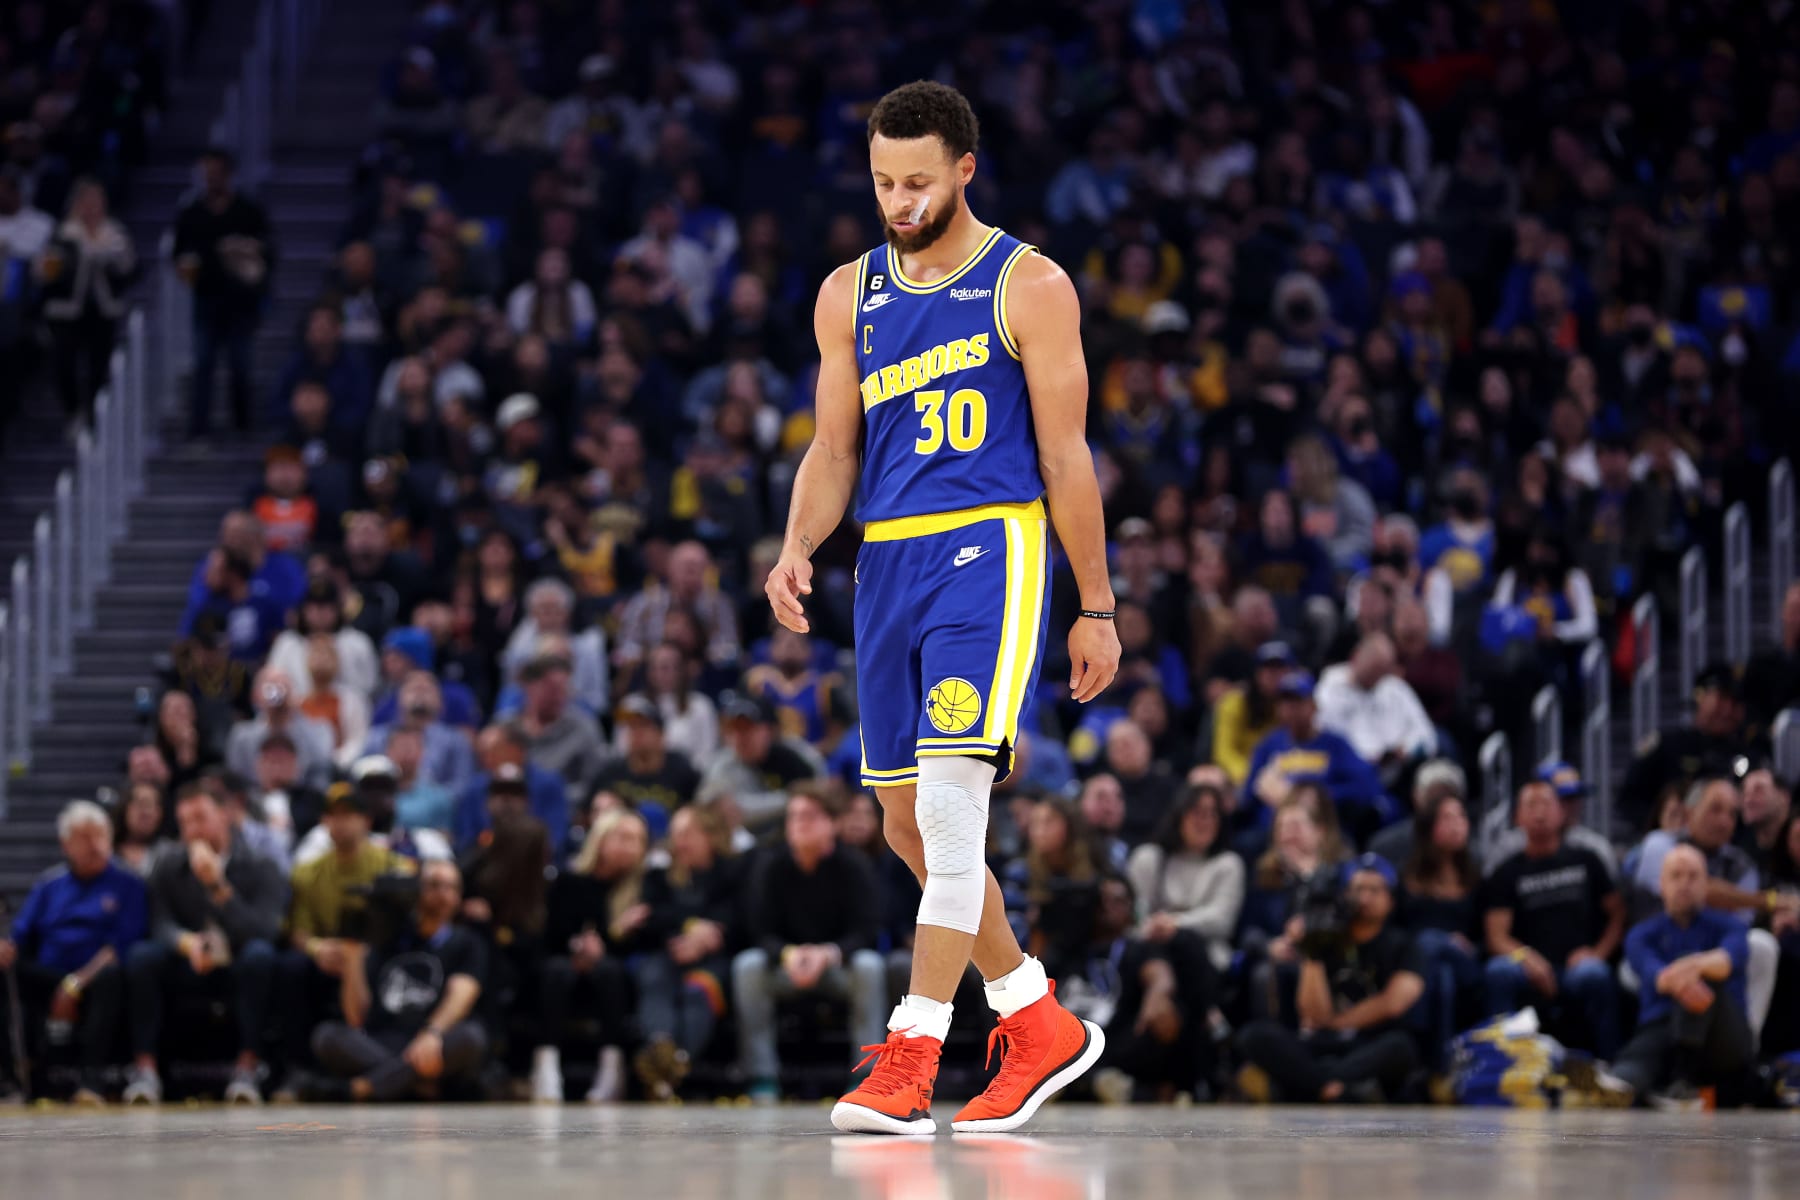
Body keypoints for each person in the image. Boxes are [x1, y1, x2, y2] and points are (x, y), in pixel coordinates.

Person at [764, 81, 1120, 1136]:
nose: (899, 199)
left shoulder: (1030, 284)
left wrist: (1095, 605)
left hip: (992, 548)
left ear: (965, 169)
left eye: (917, 180)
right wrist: (795, 545)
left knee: (956, 808)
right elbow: (836, 451)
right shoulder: (850, 292)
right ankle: (1033, 1015)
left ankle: (913, 1054)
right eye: (882, 180)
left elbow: (1067, 453)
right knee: (903, 820)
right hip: (888, 561)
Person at [125, 783, 288, 1105]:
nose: (192, 830)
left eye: (200, 818)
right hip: (191, 961)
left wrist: (218, 887)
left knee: (261, 957)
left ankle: (248, 1066)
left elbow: (264, 931)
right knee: (141, 957)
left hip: (239, 963)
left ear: (226, 815)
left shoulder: (261, 863)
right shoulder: (169, 864)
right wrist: (187, 943)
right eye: (184, 823)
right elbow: (159, 922)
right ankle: (145, 1069)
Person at [731, 786, 886, 1103]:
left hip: (836, 968)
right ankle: (762, 1077)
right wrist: (788, 954)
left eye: (810, 816)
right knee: (747, 965)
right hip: (787, 968)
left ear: (832, 824)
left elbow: (867, 930)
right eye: (794, 817)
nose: (800, 823)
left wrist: (827, 954)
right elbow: (759, 930)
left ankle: (866, 1077)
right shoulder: (771, 866)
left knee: (870, 966)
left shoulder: (853, 866)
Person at [1235, 854, 1425, 1103]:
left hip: (1367, 1043)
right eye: (1357, 889)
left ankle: (1309, 1084)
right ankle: (1335, 1089)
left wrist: (1336, 1023)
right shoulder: (1327, 938)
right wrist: (1311, 949)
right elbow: (1313, 1014)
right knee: (1254, 1035)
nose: (1364, 898)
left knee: (1401, 1047)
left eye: (1374, 890)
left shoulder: (1405, 944)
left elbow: (1393, 1003)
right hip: (1321, 1042)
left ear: (1391, 899)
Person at [306, 860, 490, 1102]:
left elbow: (462, 996)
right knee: (326, 1036)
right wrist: (352, 959)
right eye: (434, 885)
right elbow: (356, 1016)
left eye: (451, 888)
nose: (443, 894)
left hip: (433, 1042)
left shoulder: (467, 942)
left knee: (471, 1037)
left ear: (459, 897)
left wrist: (432, 1033)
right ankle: (415, 1084)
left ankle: (368, 1087)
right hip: (382, 1042)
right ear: (417, 891)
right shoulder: (388, 937)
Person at [275, 783, 415, 1099]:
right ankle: (298, 1069)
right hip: (331, 959)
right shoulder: (307, 873)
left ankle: (385, 1065)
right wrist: (317, 948)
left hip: (382, 960)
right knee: (290, 967)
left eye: (349, 815)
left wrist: (365, 955)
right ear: (324, 822)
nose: (341, 822)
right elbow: (297, 931)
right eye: (333, 815)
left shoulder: (396, 867)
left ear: (366, 821)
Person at [0, 802, 145, 1103]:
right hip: (49, 973)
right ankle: (14, 1078)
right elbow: (21, 934)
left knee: (111, 977)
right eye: (84, 837)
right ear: (65, 844)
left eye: (100, 835)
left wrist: (74, 984)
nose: (95, 844)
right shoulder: (49, 884)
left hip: (96, 973)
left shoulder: (128, 883)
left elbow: (121, 944)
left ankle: (90, 1082)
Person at [1481, 780, 1625, 1058]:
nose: (1539, 813)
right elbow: (1496, 936)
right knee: (1498, 971)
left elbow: (1618, 914)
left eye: (1546, 803)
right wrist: (1527, 958)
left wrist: (1597, 953)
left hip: (1577, 966)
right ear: (1517, 818)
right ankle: (1500, 1068)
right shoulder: (1507, 872)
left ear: (1561, 813)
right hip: (1530, 968)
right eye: (1530, 805)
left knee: (1594, 975)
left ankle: (1611, 1069)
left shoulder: (1587, 859)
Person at [1613, 846, 1757, 1107]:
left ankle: (1684, 1079)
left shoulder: (1731, 925)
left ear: (1706, 885)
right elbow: (1658, 977)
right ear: (1661, 885)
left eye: (1693, 876)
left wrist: (1692, 968)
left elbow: (1724, 963)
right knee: (1628, 1075)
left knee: (1705, 977)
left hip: (1722, 1037)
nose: (1684, 884)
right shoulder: (1640, 934)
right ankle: (1622, 1084)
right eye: (1676, 876)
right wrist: (1689, 970)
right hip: (1661, 1029)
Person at [532, 809, 650, 1104]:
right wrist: (579, 948)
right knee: (556, 971)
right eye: (622, 837)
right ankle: (546, 1065)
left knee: (611, 971)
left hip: (616, 972)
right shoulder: (570, 881)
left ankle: (612, 1068)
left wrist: (611, 939)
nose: (629, 846)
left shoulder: (646, 887)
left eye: (637, 840)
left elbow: (645, 943)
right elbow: (551, 936)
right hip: (568, 963)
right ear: (600, 839)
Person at [633, 804, 744, 1100]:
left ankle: (674, 1062)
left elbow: (741, 918)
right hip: (670, 953)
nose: (679, 842)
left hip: (716, 959)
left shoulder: (732, 871)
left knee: (698, 990)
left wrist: (709, 936)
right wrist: (691, 927)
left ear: (710, 836)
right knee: (654, 977)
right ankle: (662, 1046)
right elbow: (650, 917)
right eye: (676, 834)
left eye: (687, 834)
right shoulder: (660, 874)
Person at [173, 147, 272, 436]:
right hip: (206, 299)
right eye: (207, 173)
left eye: (217, 173)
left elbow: (268, 252)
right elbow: (179, 254)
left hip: (241, 302)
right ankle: (198, 428)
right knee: (203, 364)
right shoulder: (191, 212)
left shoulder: (248, 210)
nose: (212, 179)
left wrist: (245, 254)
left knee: (241, 365)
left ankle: (243, 426)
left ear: (229, 174)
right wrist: (186, 266)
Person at [38, 177, 136, 431]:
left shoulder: (115, 234)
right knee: (63, 364)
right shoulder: (62, 234)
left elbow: (130, 270)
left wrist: (110, 256)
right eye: (87, 201)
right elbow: (44, 272)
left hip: (103, 310)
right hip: (66, 311)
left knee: (99, 366)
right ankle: (73, 412)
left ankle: (94, 418)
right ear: (77, 204)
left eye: (97, 201)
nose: (92, 207)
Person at [1123, 782, 1245, 971]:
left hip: (1205, 957)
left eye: (1212, 814)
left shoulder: (1228, 864)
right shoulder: (1149, 858)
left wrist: (1174, 924)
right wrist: (1154, 928)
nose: (1204, 821)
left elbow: (1221, 920)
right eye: (1197, 812)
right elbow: (1131, 914)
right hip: (1148, 949)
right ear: (1179, 815)